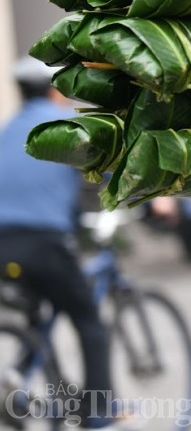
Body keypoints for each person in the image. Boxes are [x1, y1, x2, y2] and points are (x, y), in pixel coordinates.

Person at [0, 56, 117, 429]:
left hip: (3, 246)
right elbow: (115, 167)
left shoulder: (7, 132)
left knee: (39, 313)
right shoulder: (67, 127)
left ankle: (25, 379)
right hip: (44, 243)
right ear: (56, 90)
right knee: (88, 320)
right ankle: (98, 412)